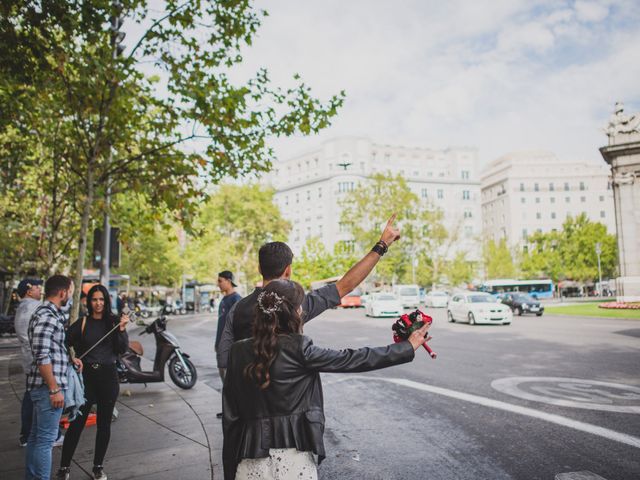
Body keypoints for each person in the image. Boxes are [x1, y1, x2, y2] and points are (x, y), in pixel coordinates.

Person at [222, 279, 430, 479]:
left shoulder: (237, 351)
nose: (302, 310)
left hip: (249, 459)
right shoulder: (298, 348)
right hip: (293, 459)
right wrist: (407, 346)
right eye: (300, 306)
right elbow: (353, 359)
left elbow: (230, 417)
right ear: (293, 313)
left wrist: (229, 468)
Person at [216, 214, 401, 371]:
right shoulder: (295, 305)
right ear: (288, 270)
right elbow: (346, 285)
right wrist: (382, 245)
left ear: (259, 268)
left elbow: (224, 360)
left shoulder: (237, 308)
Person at [56, 284, 129, 480]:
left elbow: (122, 349)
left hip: (108, 377)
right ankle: (64, 468)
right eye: (95, 299)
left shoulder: (113, 322)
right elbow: (63, 342)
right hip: (86, 378)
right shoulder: (82, 323)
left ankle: (98, 467)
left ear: (106, 302)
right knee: (77, 424)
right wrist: (72, 359)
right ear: (89, 302)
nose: (98, 303)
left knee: (104, 425)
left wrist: (121, 329)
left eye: (102, 300)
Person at [25, 275, 82, 480]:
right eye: (72, 291)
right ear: (63, 292)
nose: (71, 296)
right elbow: (42, 355)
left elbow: (50, 349)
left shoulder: (48, 313)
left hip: (44, 387)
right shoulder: (47, 315)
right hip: (47, 389)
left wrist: (69, 360)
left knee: (36, 437)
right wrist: (54, 388)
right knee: (45, 441)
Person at [14, 278, 43, 447]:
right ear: (29, 290)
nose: (40, 289)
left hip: (29, 359)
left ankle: (26, 435)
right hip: (36, 359)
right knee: (39, 397)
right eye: (38, 287)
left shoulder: (22, 307)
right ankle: (33, 435)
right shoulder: (33, 307)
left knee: (30, 396)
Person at [215, 271, 242, 418]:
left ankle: (234, 410)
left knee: (231, 378)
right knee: (224, 377)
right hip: (221, 343)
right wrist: (217, 342)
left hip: (231, 346)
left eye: (220, 281)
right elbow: (221, 324)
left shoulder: (236, 299)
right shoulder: (225, 299)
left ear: (228, 281)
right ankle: (229, 409)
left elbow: (238, 324)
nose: (218, 284)